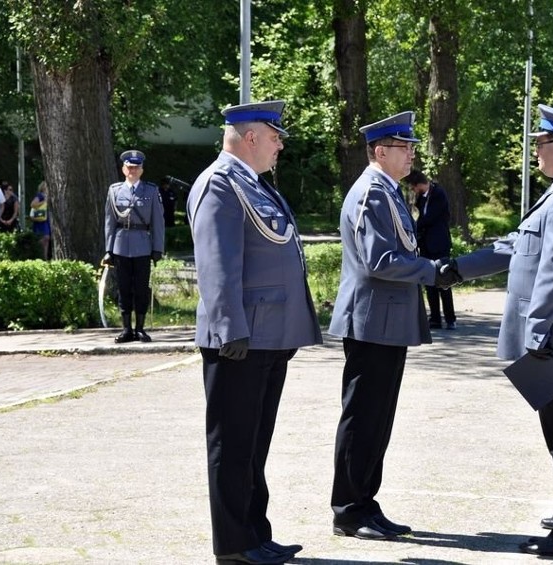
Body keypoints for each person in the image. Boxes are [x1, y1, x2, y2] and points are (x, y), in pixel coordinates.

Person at [452, 105, 553, 557]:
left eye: (538, 144)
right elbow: (518, 246)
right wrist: (455, 270)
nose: (533, 153)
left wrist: (536, 333)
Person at [187, 100, 322, 565]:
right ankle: (234, 545)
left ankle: (255, 533)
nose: (280, 144)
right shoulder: (219, 184)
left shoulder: (253, 184)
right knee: (233, 445)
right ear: (250, 138)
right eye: (275, 136)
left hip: (268, 335)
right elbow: (215, 264)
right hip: (240, 339)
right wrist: (229, 329)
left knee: (253, 445)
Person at [328, 111, 454, 542]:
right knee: (363, 418)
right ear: (381, 151)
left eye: (412, 147)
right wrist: (432, 272)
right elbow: (378, 260)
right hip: (370, 321)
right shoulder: (370, 192)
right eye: (405, 148)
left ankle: (365, 501)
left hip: (386, 320)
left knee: (378, 419)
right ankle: (348, 509)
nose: (412, 155)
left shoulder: (388, 191)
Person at [103, 150, 164, 344]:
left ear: (141, 170)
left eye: (136, 167)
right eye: (130, 167)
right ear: (123, 169)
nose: (133, 170)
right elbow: (109, 222)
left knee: (140, 288)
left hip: (143, 246)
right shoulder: (114, 191)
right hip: (121, 245)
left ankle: (140, 328)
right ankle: (126, 329)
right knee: (124, 288)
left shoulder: (151, 191)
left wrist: (158, 247)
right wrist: (108, 249)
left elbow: (158, 222)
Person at [406, 169, 457, 330]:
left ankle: (450, 318)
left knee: (444, 280)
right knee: (429, 281)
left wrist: (414, 226)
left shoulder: (438, 194)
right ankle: (434, 318)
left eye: (413, 187)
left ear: (419, 184)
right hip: (426, 244)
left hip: (439, 244)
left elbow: (429, 218)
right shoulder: (422, 197)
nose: (413, 191)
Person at [29, 181, 51, 260]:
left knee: (47, 239)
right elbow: (33, 205)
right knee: (44, 237)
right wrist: (43, 202)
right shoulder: (40, 195)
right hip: (40, 219)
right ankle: (36, 251)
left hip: (46, 219)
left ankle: (45, 258)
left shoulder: (49, 196)